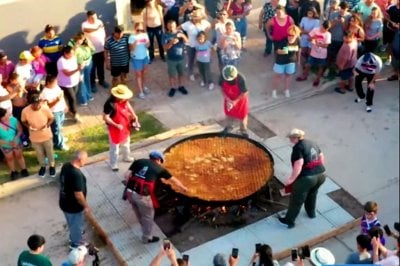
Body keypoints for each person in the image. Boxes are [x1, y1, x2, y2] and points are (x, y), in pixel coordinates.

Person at [123, 151, 188, 243]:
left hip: (129, 192)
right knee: (148, 216)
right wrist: (184, 188)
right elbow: (174, 180)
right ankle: (147, 238)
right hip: (142, 197)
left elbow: (126, 175)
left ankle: (143, 226)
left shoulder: (139, 161)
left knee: (138, 211)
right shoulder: (159, 169)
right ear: (159, 160)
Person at [278, 128, 326, 228]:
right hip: (321, 176)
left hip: (307, 178)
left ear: (296, 138)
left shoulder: (298, 147)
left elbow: (299, 163)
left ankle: (289, 221)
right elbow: (321, 156)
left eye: (291, 138)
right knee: (312, 194)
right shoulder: (312, 142)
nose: (290, 140)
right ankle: (311, 213)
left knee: (296, 200)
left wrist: (291, 179)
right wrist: (317, 169)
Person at [103, 85, 138, 172]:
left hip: (125, 125)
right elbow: (105, 117)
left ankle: (126, 157)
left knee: (126, 142)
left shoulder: (124, 100)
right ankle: (113, 163)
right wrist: (116, 125)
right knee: (114, 147)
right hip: (114, 128)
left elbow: (128, 105)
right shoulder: (109, 104)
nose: (124, 99)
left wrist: (134, 114)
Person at [59, 150, 89, 249]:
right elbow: (78, 195)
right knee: (76, 224)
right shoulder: (76, 174)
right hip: (73, 206)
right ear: (79, 159)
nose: (86, 161)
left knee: (71, 221)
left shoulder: (66, 166)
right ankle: (76, 243)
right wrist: (86, 206)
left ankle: (74, 235)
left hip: (64, 202)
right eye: (85, 159)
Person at [21, 93, 55, 178]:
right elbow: (23, 121)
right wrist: (29, 126)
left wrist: (47, 125)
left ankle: (52, 166)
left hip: (46, 135)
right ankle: (42, 166)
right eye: (34, 104)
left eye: (37, 104)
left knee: (50, 152)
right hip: (34, 137)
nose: (36, 106)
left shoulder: (45, 108)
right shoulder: (25, 111)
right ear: (30, 104)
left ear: (40, 102)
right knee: (39, 154)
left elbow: (52, 118)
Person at [296, 20, 331, 87]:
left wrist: (318, 44)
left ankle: (317, 79)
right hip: (313, 53)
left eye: (325, 29)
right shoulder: (315, 30)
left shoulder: (328, 34)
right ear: (321, 25)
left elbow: (326, 45)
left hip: (322, 54)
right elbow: (308, 38)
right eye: (323, 28)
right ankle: (304, 76)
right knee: (308, 64)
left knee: (320, 67)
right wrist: (313, 38)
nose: (323, 30)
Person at [81, 10, 109, 91]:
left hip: (101, 49)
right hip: (91, 51)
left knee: (100, 67)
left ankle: (102, 80)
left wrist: (104, 43)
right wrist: (96, 28)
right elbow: (87, 30)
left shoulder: (99, 22)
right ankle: (92, 83)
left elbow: (103, 32)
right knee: (92, 68)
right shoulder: (84, 24)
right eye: (93, 18)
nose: (95, 19)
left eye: (96, 17)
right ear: (88, 18)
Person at [180, 9, 211, 81]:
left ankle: (199, 72)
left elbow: (210, 26)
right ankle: (191, 73)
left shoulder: (204, 23)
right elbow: (178, 29)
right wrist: (183, 36)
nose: (193, 18)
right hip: (191, 45)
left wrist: (206, 34)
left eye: (196, 16)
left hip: (201, 46)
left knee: (200, 60)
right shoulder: (187, 24)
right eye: (193, 16)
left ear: (200, 17)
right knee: (191, 60)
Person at [272, 25, 301, 99]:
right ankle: (274, 90)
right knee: (278, 76)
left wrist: (298, 60)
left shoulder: (298, 39)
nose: (290, 37)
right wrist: (285, 51)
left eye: (292, 35)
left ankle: (286, 90)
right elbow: (278, 51)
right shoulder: (283, 40)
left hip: (291, 62)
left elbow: (299, 50)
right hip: (280, 61)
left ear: (296, 35)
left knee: (288, 76)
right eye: (289, 35)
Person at [220, 65, 249, 137]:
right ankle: (229, 127)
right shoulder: (222, 77)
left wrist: (235, 101)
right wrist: (227, 99)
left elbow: (245, 92)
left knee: (242, 116)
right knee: (229, 114)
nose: (229, 81)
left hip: (240, 100)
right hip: (228, 98)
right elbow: (221, 89)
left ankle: (243, 131)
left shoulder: (240, 79)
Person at [40, 75, 68, 151]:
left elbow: (61, 96)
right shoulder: (44, 93)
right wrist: (57, 100)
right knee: (57, 128)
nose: (56, 84)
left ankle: (60, 138)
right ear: (48, 83)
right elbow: (48, 106)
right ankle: (60, 144)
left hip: (61, 110)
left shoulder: (56, 87)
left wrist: (65, 105)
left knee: (60, 126)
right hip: (54, 112)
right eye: (54, 82)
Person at [0, 107, 29, 180]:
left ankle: (24, 169)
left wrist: (16, 139)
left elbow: (20, 130)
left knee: (19, 155)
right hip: (5, 144)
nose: (7, 115)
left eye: (6, 113)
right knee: (9, 158)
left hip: (16, 141)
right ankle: (13, 172)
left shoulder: (13, 120)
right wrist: (8, 143)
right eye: (5, 115)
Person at [163, 20, 189, 97]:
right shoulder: (165, 35)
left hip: (181, 58)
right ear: (167, 26)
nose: (171, 27)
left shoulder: (180, 33)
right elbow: (165, 48)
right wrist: (171, 42)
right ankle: (173, 88)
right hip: (171, 59)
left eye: (173, 26)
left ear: (175, 25)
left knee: (181, 74)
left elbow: (187, 42)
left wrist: (183, 36)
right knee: (172, 75)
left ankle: (181, 86)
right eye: (170, 26)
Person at [68, 32, 95, 106]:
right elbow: (71, 54)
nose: (82, 40)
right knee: (81, 82)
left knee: (87, 79)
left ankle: (88, 95)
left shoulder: (86, 41)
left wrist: (89, 44)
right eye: (81, 39)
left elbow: (93, 51)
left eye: (83, 39)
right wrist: (76, 45)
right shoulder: (71, 42)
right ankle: (82, 99)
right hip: (78, 65)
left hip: (88, 62)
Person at [57, 45, 81, 123]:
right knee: (72, 98)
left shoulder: (73, 58)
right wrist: (78, 69)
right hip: (65, 84)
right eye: (71, 53)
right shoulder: (61, 61)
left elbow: (76, 66)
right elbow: (67, 73)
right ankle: (75, 113)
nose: (72, 55)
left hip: (75, 81)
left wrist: (79, 74)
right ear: (65, 53)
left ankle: (70, 108)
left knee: (72, 97)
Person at [129, 22, 150, 99]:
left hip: (145, 56)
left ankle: (143, 86)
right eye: (138, 30)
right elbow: (131, 49)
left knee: (144, 73)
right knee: (138, 75)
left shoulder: (145, 35)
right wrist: (135, 42)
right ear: (135, 29)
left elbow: (148, 45)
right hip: (136, 58)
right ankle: (140, 91)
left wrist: (147, 43)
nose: (140, 31)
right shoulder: (132, 37)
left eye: (142, 30)